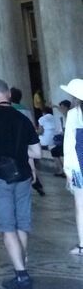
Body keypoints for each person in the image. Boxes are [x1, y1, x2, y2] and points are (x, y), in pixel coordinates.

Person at [0, 78, 42, 289]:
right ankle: (22, 264)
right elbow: (37, 152)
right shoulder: (22, 118)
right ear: (9, 95)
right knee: (22, 223)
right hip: (22, 175)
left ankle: (21, 274)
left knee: (7, 226)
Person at [59, 78, 83, 258]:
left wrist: (67, 171)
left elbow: (68, 145)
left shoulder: (74, 114)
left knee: (80, 206)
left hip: (78, 166)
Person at [11, 87, 45, 195]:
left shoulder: (10, 109)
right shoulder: (26, 109)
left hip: (15, 141)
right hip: (26, 140)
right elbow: (31, 125)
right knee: (29, 163)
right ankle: (36, 183)